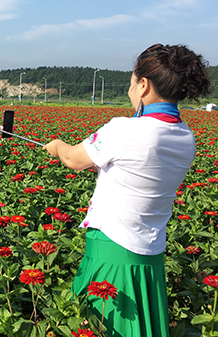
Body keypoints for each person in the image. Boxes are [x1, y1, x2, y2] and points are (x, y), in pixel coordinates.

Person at [43, 44, 211, 336]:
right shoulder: (185, 137)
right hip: (149, 255)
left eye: (132, 83)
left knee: (102, 326)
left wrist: (57, 146)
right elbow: (141, 169)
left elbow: (73, 158)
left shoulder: (125, 130)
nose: (130, 90)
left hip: (112, 255)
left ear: (143, 85)